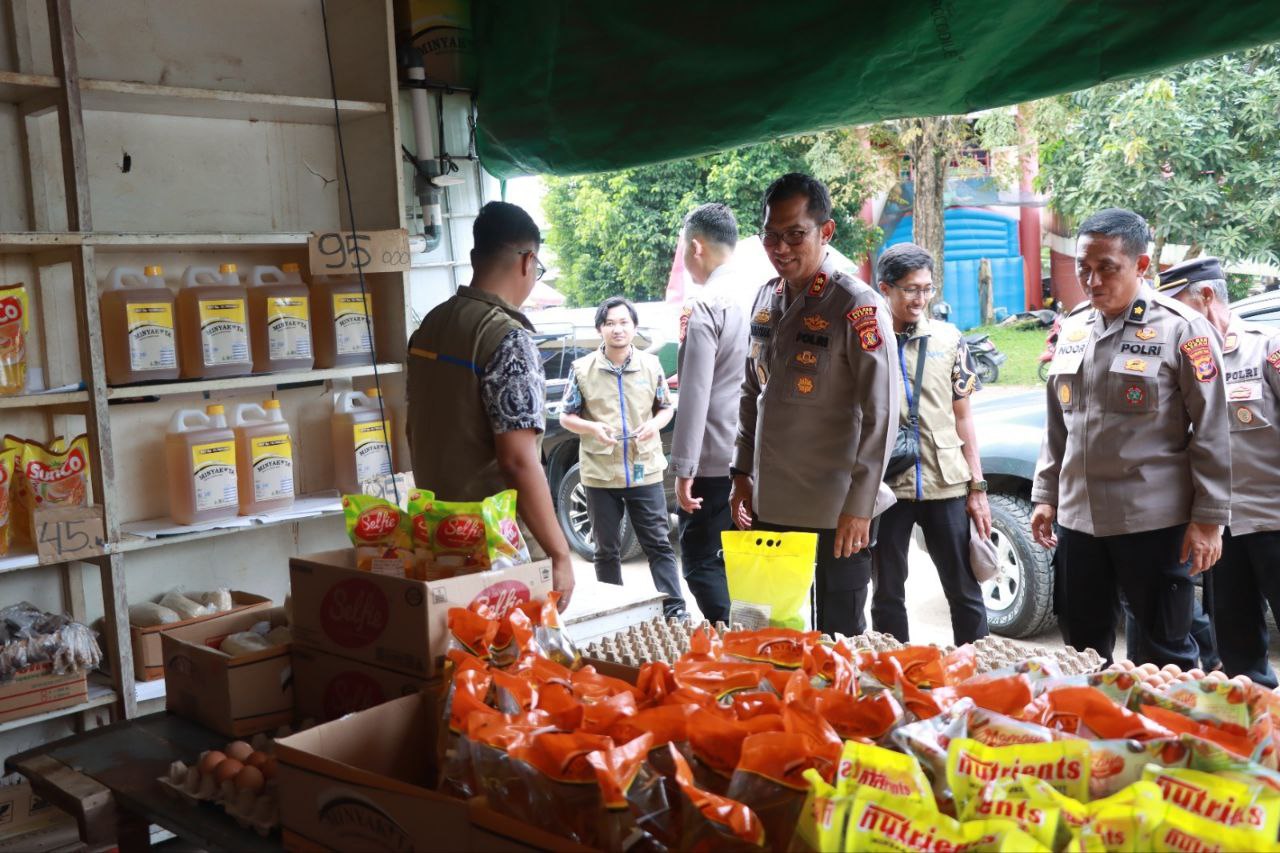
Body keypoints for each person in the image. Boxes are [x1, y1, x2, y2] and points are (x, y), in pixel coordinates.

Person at [1031, 208, 1231, 668]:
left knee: (1164, 653)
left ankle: (1167, 738)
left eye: (1107, 268)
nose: (1092, 280)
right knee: (1081, 651)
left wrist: (1209, 520)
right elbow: (1058, 422)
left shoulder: (1182, 329)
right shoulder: (1074, 327)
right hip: (1079, 523)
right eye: (1083, 267)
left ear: (1141, 266)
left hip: (1153, 523)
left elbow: (1213, 430)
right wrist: (1046, 495)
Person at [731, 173, 899, 636]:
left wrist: (860, 507)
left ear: (825, 232)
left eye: (794, 235)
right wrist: (740, 475)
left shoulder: (855, 305)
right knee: (770, 634)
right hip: (771, 505)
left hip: (837, 512)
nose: (780, 248)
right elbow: (753, 394)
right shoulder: (766, 299)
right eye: (771, 236)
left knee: (837, 640)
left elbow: (882, 413)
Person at [405, 201, 574, 609]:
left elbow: (414, 428)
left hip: (437, 534)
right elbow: (517, 460)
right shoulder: (507, 338)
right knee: (507, 665)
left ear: (474, 257)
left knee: (458, 663)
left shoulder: (430, 325)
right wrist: (560, 554)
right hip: (496, 547)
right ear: (527, 260)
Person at [1155, 256, 1280, 685]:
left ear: (1207, 296)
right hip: (1220, 530)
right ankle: (1258, 735)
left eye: (1181, 305)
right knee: (1237, 647)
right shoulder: (1179, 359)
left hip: (1274, 521)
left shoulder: (1267, 348)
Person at [869, 243, 991, 645]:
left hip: (947, 483)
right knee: (887, 592)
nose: (921, 298)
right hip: (888, 489)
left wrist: (977, 487)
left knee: (965, 591)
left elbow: (964, 416)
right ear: (884, 289)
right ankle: (896, 673)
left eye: (927, 289)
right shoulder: (866, 343)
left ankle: (975, 672)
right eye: (910, 289)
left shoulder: (950, 338)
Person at [559, 297, 684, 616]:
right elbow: (566, 416)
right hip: (601, 473)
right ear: (600, 328)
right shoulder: (582, 369)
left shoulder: (651, 365)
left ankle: (674, 609)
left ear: (634, 327)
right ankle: (612, 610)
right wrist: (592, 427)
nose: (618, 328)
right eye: (610, 323)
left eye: (624, 322)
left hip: (645, 469)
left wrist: (653, 425)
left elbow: (665, 408)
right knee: (606, 550)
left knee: (658, 544)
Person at [671, 203, 750, 623]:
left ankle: (737, 641)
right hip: (759, 457)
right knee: (746, 562)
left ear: (696, 247)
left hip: (716, 461)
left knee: (702, 562)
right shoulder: (764, 294)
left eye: (684, 250)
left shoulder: (705, 304)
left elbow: (695, 391)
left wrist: (684, 469)